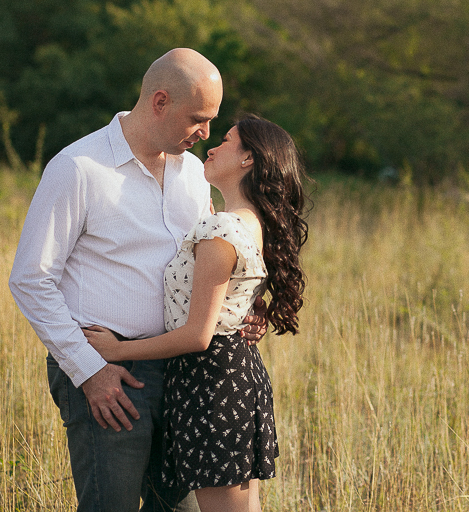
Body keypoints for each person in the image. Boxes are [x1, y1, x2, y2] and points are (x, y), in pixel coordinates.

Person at [8, 48, 266, 512]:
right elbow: (31, 279)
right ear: (160, 102)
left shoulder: (194, 174)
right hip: (110, 372)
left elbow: (211, 261)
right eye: (198, 119)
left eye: (212, 120)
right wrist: (89, 370)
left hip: (184, 371)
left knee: (183, 513)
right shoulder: (79, 168)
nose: (207, 133)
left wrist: (244, 309)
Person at [83, 115, 309, 511]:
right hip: (231, 375)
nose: (213, 146)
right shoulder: (249, 223)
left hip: (212, 382)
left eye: (226, 141)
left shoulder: (221, 230)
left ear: (248, 160)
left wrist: (116, 351)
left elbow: (198, 335)